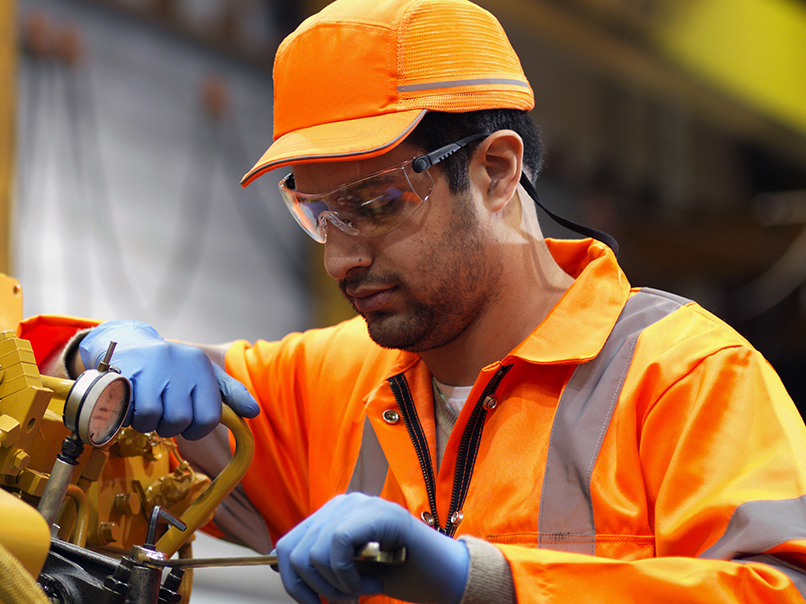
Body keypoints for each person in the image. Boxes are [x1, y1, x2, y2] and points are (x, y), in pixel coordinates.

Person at [21, 0, 806, 602]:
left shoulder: (684, 380)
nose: (341, 255)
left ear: (497, 173)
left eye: (377, 202)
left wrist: (480, 580)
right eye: (318, 213)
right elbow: (32, 388)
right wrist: (97, 356)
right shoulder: (322, 388)